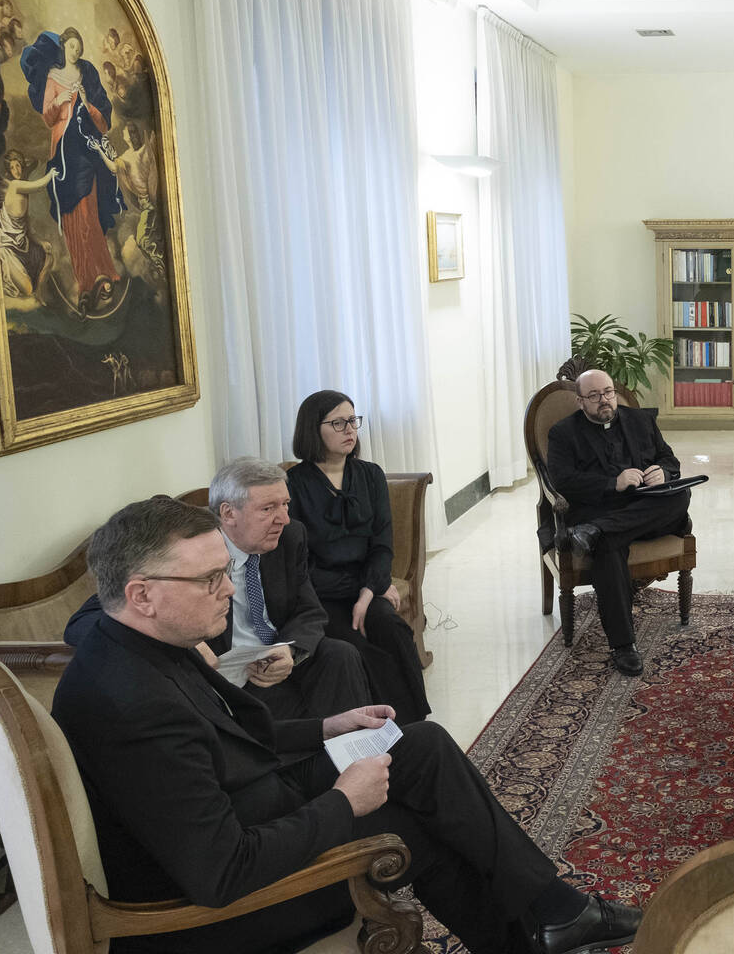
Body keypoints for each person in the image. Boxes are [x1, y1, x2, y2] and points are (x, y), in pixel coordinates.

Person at [52, 495, 640, 954]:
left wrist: (327, 726)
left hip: (257, 801)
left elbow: (229, 739)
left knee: (423, 745)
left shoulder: (143, 637)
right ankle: (532, 936)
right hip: (218, 915)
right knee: (408, 830)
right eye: (209, 578)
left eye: (223, 571)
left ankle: (555, 911)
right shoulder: (133, 706)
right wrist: (344, 801)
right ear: (142, 594)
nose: (229, 587)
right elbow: (222, 872)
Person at [65, 458, 371, 720]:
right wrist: (187, 643)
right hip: (224, 672)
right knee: (281, 706)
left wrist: (289, 649)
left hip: (272, 654)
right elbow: (86, 621)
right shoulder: (193, 553)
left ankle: (357, 751)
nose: (284, 518)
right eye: (268, 508)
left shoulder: (290, 536)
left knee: (339, 654)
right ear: (228, 513)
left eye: (285, 504)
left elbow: (309, 609)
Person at [287, 389, 431, 724]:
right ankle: (377, 726)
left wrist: (368, 593)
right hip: (321, 594)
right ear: (313, 429)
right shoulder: (293, 485)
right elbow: (302, 566)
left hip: (367, 586)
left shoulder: (370, 475)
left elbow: (382, 545)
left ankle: (413, 724)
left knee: (393, 630)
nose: (349, 429)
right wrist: (367, 589)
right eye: (337, 423)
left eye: (353, 420)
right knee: (356, 645)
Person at [545, 368, 691, 677]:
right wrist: (613, 482)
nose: (604, 401)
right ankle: (624, 646)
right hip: (597, 508)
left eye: (608, 392)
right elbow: (563, 480)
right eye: (594, 396)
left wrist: (663, 473)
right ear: (580, 401)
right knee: (608, 548)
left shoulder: (640, 421)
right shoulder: (563, 433)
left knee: (679, 496)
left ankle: (594, 533)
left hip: (643, 508)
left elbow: (670, 460)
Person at [19, 26, 125, 311]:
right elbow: (47, 117)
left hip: (84, 152)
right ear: (63, 48)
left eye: (79, 48)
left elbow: (101, 123)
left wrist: (87, 102)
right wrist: (58, 101)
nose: (76, 52)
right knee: (70, 219)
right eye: (71, 47)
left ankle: (103, 272)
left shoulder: (86, 77)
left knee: (88, 210)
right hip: (62, 151)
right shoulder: (53, 78)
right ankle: (85, 282)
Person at [0, 147, 56, 310]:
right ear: (8, 171)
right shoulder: (15, 186)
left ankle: (40, 293)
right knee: (27, 289)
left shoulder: (22, 190)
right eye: (12, 167)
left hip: (22, 244)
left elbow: (27, 227)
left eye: (18, 166)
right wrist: (51, 174)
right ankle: (29, 292)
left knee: (49, 257)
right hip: (8, 249)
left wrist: (41, 241)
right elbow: (39, 185)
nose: (16, 170)